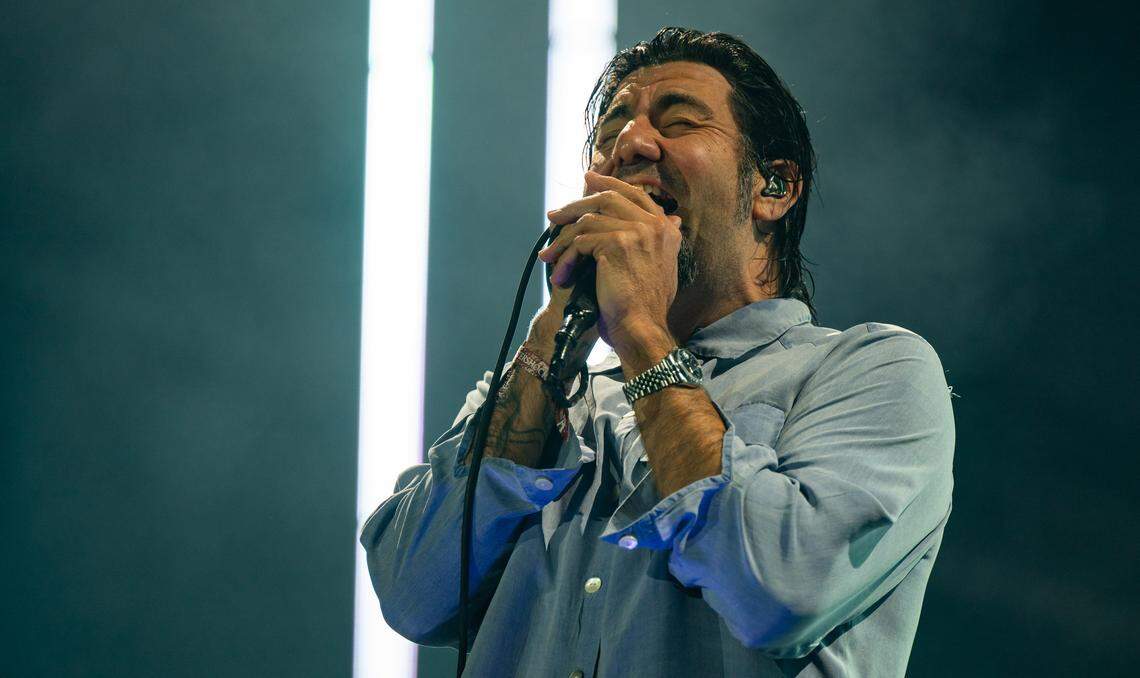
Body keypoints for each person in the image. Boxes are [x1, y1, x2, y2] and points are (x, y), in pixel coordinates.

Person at [361, 27, 954, 677]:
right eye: (612, 127)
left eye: (678, 121)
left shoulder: (873, 371)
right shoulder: (543, 389)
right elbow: (413, 598)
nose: (631, 144)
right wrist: (553, 332)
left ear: (774, 188)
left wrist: (641, 330)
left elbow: (779, 588)